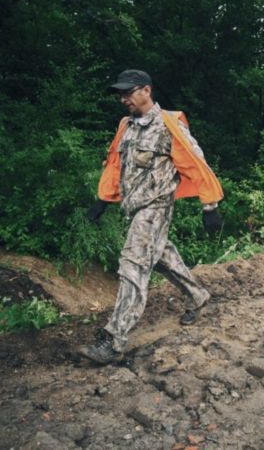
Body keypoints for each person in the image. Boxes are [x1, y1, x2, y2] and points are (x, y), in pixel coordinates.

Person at [79, 69, 224, 364]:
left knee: (133, 264)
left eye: (128, 92)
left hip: (156, 206)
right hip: (134, 207)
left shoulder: (169, 124)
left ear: (146, 90)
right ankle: (198, 296)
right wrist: (102, 200)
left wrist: (210, 206)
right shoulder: (126, 126)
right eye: (121, 94)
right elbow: (115, 164)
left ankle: (113, 339)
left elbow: (196, 164)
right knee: (159, 255)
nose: (123, 99)